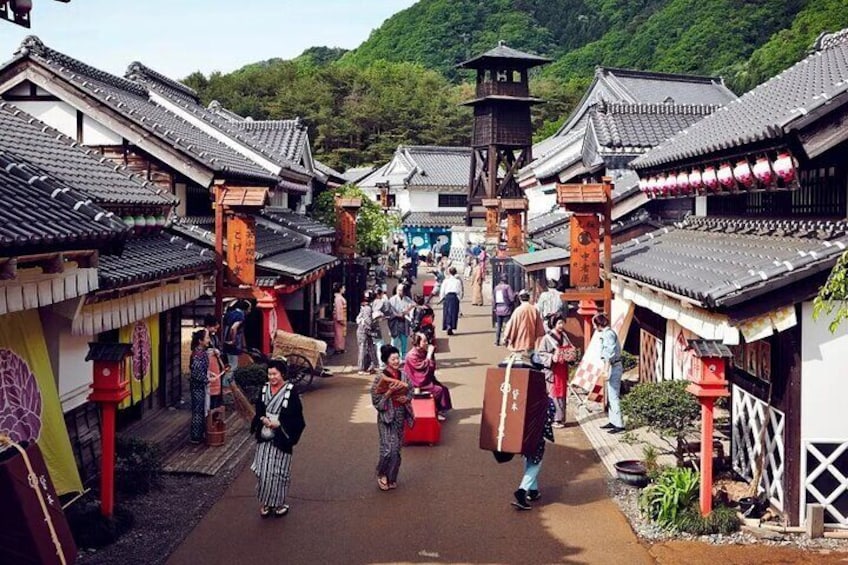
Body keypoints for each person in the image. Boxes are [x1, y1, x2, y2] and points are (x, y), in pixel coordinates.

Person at [250, 358, 306, 517]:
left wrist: (279, 423)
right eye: (269, 374)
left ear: (282, 374)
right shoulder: (264, 389)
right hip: (265, 435)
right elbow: (259, 409)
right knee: (263, 471)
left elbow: (297, 416)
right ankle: (266, 503)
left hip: (282, 436)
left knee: (278, 472)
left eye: (275, 374)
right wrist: (262, 419)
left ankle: (279, 503)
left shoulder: (290, 391)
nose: (272, 377)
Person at [371, 345, 414, 491]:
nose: (396, 361)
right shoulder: (379, 377)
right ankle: (381, 473)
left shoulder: (403, 375)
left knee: (396, 449)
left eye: (398, 358)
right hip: (386, 415)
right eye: (393, 358)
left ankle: (391, 477)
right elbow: (376, 401)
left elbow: (411, 390)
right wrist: (388, 393)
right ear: (386, 361)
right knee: (387, 449)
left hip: (400, 413)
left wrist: (405, 398)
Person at [512, 398, 555, 511]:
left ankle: (534, 491)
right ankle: (522, 491)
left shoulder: (524, 397)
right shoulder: (546, 401)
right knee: (536, 464)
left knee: (529, 460)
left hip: (525, 436)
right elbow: (549, 418)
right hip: (537, 437)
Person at [535, 313, 575, 428]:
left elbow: (570, 348)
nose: (561, 325)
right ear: (553, 324)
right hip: (552, 370)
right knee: (553, 394)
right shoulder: (546, 338)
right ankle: (554, 418)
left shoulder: (564, 336)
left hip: (562, 369)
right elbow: (541, 353)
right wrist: (552, 357)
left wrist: (570, 355)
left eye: (562, 323)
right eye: (559, 323)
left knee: (562, 394)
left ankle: (561, 418)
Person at [404, 332, 452, 420]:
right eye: (424, 341)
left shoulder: (422, 351)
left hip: (424, 378)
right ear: (418, 342)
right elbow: (421, 369)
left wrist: (431, 354)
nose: (426, 343)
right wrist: (429, 354)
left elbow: (429, 367)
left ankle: (440, 409)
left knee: (443, 388)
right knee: (439, 390)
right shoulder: (411, 356)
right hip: (416, 382)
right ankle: (437, 411)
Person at [595, 313, 625, 434]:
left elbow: (609, 353)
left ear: (598, 324)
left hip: (614, 366)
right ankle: (613, 420)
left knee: (613, 395)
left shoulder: (608, 334)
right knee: (610, 394)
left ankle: (619, 424)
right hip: (612, 366)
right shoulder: (607, 333)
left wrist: (606, 369)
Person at [502, 289, 545, 355]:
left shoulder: (518, 310)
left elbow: (511, 325)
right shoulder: (534, 309)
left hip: (519, 342)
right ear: (529, 298)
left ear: (520, 298)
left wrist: (505, 337)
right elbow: (540, 328)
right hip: (531, 341)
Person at [189, 328, 211, 444]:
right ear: (200, 341)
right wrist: (206, 379)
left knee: (202, 409)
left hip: (201, 385)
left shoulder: (202, 352)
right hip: (198, 386)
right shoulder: (197, 354)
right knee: (198, 411)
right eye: (207, 338)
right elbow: (197, 372)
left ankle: (201, 433)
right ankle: (196, 436)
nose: (209, 340)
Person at [222, 300, 250, 381]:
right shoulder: (240, 315)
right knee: (233, 365)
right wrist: (233, 340)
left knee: (229, 363)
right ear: (244, 309)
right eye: (249, 309)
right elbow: (234, 327)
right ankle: (226, 384)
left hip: (225, 340)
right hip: (233, 344)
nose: (249, 311)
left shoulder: (229, 313)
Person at [203, 315, 225, 410]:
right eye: (214, 328)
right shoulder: (201, 335)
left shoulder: (214, 337)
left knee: (216, 389)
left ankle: (215, 409)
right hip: (207, 367)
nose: (215, 330)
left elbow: (220, 348)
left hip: (216, 366)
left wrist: (218, 351)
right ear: (208, 326)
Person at [388, 283, 415, 357]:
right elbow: (390, 311)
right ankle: (393, 356)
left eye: (402, 290)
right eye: (399, 290)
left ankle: (403, 356)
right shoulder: (392, 299)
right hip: (395, 322)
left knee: (404, 340)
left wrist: (408, 309)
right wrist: (398, 314)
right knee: (394, 341)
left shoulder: (407, 299)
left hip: (404, 322)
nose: (400, 292)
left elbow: (413, 305)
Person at [356, 290, 379, 375]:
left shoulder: (364, 306)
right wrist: (373, 326)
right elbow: (368, 321)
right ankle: (361, 368)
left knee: (368, 349)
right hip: (364, 331)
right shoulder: (368, 308)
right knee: (363, 349)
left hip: (364, 330)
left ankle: (368, 367)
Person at [439, 267, 463, 335]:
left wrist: (441, 298)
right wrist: (459, 298)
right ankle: (451, 326)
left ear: (449, 273)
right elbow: (460, 291)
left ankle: (447, 325)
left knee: (447, 312)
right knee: (454, 313)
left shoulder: (446, 281)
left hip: (447, 297)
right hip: (454, 297)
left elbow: (442, 290)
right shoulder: (457, 281)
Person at [493, 275, 516, 346]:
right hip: (506, 308)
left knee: (499, 326)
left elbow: (494, 299)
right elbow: (511, 298)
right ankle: (506, 340)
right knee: (507, 325)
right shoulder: (507, 287)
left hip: (498, 308)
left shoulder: (496, 288)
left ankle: (497, 341)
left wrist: (494, 308)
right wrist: (515, 295)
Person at [372, 288, 391, 370]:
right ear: (379, 294)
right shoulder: (379, 302)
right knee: (380, 344)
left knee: (372, 345)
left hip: (368, 328)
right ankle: (381, 364)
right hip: (374, 327)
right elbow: (383, 311)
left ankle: (374, 363)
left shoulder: (370, 303)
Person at [332, 283, 347, 354]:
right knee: (339, 334)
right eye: (343, 288)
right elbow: (339, 310)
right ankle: (338, 348)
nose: (344, 289)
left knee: (341, 333)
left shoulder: (338, 298)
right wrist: (340, 319)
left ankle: (340, 347)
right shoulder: (338, 299)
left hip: (341, 317)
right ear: (340, 289)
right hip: (340, 318)